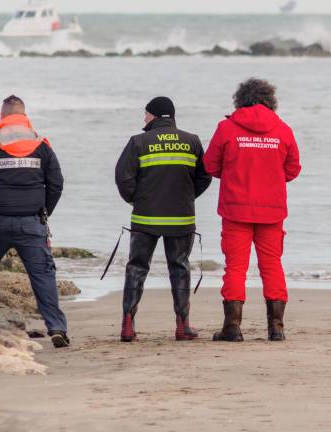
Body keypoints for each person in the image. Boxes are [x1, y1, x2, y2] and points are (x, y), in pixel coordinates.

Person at [0, 95, 69, 348]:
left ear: (2, 117)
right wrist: (45, 212)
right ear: (24, 116)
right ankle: (56, 327)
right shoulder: (42, 145)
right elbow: (56, 183)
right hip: (32, 222)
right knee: (43, 274)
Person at [204, 78, 301, 342]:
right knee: (272, 266)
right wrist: (270, 177)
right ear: (270, 100)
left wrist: (236, 174)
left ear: (240, 99)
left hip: (236, 209)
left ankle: (232, 328)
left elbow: (210, 165)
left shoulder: (226, 128)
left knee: (235, 268)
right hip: (271, 210)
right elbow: (292, 169)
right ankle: (276, 328)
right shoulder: (283, 130)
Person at [115, 96, 211, 342]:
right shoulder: (192, 141)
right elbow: (205, 176)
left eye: (145, 114)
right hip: (181, 217)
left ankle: (127, 324)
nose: (144, 119)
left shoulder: (138, 141)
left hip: (145, 218)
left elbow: (123, 178)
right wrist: (186, 197)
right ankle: (182, 326)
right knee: (179, 267)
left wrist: (137, 200)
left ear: (154, 115)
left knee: (137, 267)